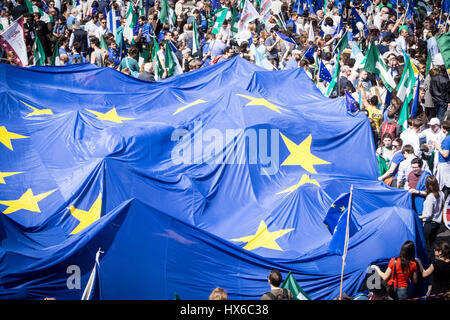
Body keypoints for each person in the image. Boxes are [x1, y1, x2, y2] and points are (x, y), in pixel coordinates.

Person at [418, 176, 444, 260]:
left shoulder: (430, 198)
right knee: (433, 242)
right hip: (437, 222)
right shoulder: (441, 193)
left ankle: (426, 261)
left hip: (429, 223)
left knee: (424, 243)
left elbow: (428, 214)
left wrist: (418, 216)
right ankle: (433, 261)